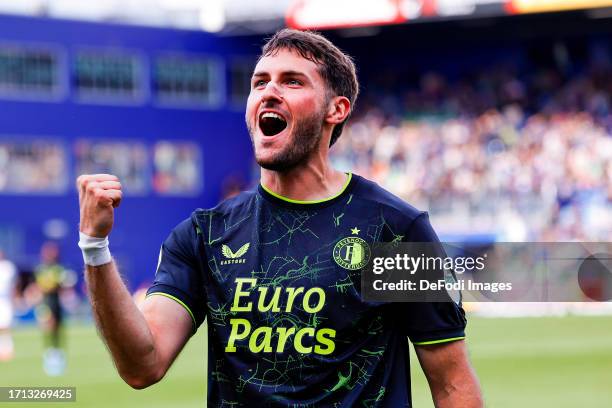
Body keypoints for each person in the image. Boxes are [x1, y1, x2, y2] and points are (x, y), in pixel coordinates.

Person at [77, 29, 482, 407]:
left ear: (336, 109)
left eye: (292, 81)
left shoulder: (395, 231)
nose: (269, 91)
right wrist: (95, 247)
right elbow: (141, 365)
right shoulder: (204, 235)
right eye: (259, 82)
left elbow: (451, 383)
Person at [31, 241, 75, 376]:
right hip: (46, 303)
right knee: (48, 328)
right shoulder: (41, 268)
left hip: (57, 303)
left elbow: (64, 286)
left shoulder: (59, 268)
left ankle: (58, 354)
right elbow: (40, 286)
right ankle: (49, 355)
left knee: (58, 329)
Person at [0, 250, 17, 361]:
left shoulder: (8, 267)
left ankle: (8, 348)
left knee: (5, 325)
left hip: (5, 300)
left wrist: (14, 299)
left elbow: (13, 286)